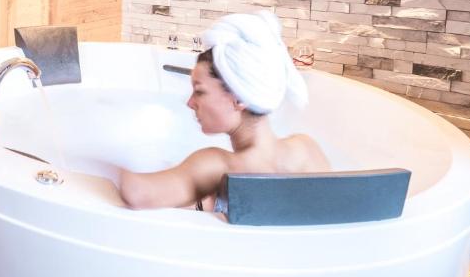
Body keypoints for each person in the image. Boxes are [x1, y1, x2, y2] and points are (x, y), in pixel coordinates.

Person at [119, 11, 330, 211]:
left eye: (199, 92)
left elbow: (136, 193)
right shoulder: (306, 148)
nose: (190, 103)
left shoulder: (217, 166)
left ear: (238, 99)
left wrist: (103, 160)